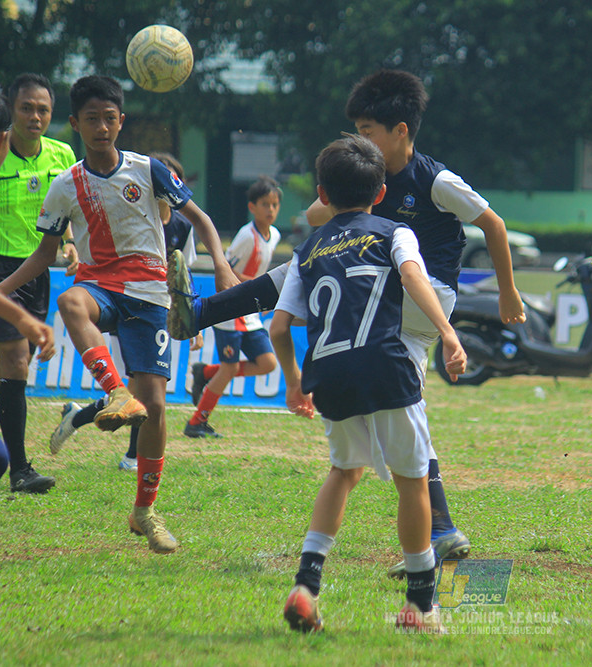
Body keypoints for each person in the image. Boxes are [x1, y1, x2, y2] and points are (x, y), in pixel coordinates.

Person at [165, 69, 527, 574]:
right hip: (393, 302)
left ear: (401, 130)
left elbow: (493, 223)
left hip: (426, 293)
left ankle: (201, 312)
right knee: (405, 408)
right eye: (356, 131)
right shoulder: (373, 180)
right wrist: (346, 185)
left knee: (306, 266)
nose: (361, 139)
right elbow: (318, 213)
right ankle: (440, 532)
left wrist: (508, 290)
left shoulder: (433, 179)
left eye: (368, 132)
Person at [0, 75, 239, 553]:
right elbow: (44, 255)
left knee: (157, 411)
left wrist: (224, 267)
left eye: (110, 119)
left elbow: (202, 220)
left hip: (151, 298)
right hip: (100, 287)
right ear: (75, 125)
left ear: (121, 121)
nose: (102, 127)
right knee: (70, 301)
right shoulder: (66, 186)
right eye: (92, 120)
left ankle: (144, 511)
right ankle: (115, 392)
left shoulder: (149, 170)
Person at [275, 134, 467, 634]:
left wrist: (295, 385)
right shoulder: (393, 231)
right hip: (385, 366)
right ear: (381, 192)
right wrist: (447, 333)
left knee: (343, 471)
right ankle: (421, 607)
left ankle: (305, 586)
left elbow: (279, 327)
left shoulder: (307, 248)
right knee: (414, 480)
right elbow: (413, 278)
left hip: (329, 373)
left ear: (322, 193)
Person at [49, 152, 203, 471]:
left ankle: (78, 416)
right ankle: (133, 456)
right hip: (114, 299)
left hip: (153, 305)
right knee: (134, 391)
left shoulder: (182, 227)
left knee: (142, 393)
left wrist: (193, 323)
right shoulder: (126, 208)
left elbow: (182, 276)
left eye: (174, 181)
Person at [0, 73, 76, 494]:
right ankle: (20, 470)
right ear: (8, 118)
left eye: (44, 110)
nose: (35, 117)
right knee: (15, 362)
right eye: (27, 108)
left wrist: (72, 244)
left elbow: (68, 211)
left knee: (10, 372)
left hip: (39, 269)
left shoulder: (63, 154)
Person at [184, 175, 280, 438]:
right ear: (252, 207)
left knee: (268, 363)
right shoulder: (246, 236)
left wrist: (264, 293)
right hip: (233, 309)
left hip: (250, 312)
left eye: (274, 205)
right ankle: (196, 422)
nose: (270, 210)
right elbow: (229, 270)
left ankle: (204, 372)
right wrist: (264, 288)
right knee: (229, 368)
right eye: (265, 204)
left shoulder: (275, 236)